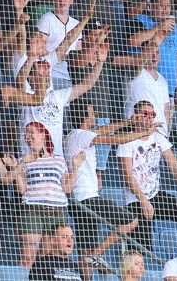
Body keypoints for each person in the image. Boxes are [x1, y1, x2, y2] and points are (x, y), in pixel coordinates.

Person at [64, 103, 151, 276]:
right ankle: (97, 254)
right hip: (87, 198)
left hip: (77, 201)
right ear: (86, 119)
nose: (95, 113)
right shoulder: (82, 135)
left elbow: (104, 129)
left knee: (85, 247)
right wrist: (143, 133)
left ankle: (89, 267)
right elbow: (113, 139)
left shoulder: (74, 135)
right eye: (92, 112)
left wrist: (128, 122)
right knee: (131, 221)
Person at [118, 100, 177, 251]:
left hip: (155, 196)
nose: (149, 118)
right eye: (145, 114)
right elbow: (128, 176)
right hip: (136, 200)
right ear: (136, 116)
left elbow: (173, 165)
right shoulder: (127, 140)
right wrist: (144, 201)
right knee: (143, 251)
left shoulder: (158, 137)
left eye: (152, 115)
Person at [12, 122, 84, 268]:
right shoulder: (24, 159)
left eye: (31, 132)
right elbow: (21, 189)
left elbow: (68, 188)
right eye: (26, 134)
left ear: (42, 135)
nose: (28, 137)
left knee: (49, 257)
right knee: (27, 256)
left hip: (57, 213)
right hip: (32, 211)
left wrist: (75, 167)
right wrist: (16, 167)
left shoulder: (58, 159)